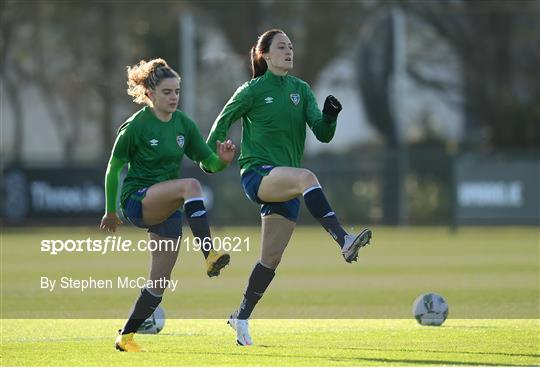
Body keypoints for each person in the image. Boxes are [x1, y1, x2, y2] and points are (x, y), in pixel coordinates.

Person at [206, 29, 373, 346]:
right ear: (264, 55)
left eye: (291, 46)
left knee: (270, 260)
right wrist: (213, 156)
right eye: (281, 46)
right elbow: (221, 122)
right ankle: (344, 239)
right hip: (257, 174)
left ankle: (240, 318)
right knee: (307, 178)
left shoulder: (301, 90)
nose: (289, 51)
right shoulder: (252, 90)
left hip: (285, 183)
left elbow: (323, 134)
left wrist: (330, 116)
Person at [100, 58, 236, 352]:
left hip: (167, 208)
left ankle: (125, 337)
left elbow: (207, 162)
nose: (174, 97)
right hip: (137, 201)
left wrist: (222, 161)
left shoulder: (184, 124)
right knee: (191, 186)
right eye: (167, 91)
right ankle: (209, 254)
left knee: (159, 283)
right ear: (149, 93)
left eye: (177, 91)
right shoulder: (136, 125)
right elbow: (114, 167)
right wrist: (111, 210)